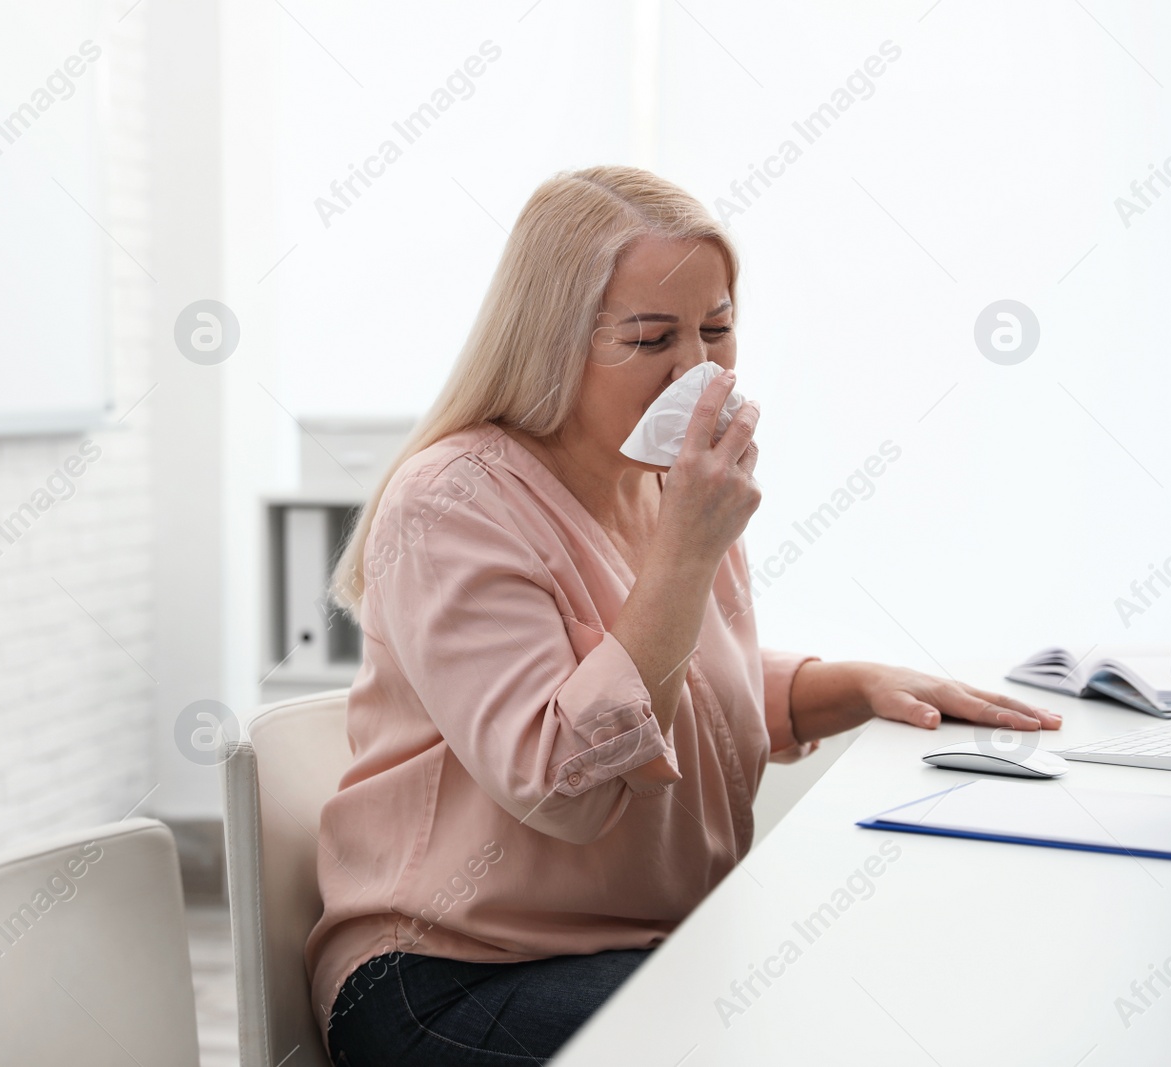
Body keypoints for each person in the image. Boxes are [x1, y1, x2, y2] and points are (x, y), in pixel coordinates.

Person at [306, 165, 1060, 1066]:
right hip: (452, 976)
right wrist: (687, 552)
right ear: (552, 339)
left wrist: (855, 685)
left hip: (649, 948)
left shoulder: (666, 482)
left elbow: (683, 684)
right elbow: (564, 783)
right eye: (651, 335)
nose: (698, 371)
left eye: (718, 328)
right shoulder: (454, 501)